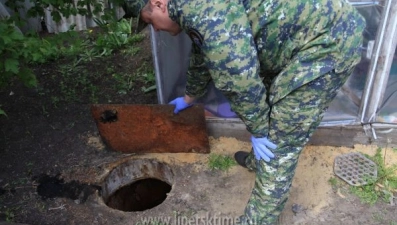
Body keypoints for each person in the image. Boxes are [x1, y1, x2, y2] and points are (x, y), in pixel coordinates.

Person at [126, 0, 365, 223]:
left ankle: (258, 218)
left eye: (149, 22)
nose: (155, 31)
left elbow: (241, 82)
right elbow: (202, 52)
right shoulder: (193, 8)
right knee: (268, 108)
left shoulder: (207, 17)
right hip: (305, 38)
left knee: (278, 142)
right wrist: (189, 96)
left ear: (158, 3)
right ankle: (257, 161)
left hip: (328, 44)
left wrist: (260, 131)